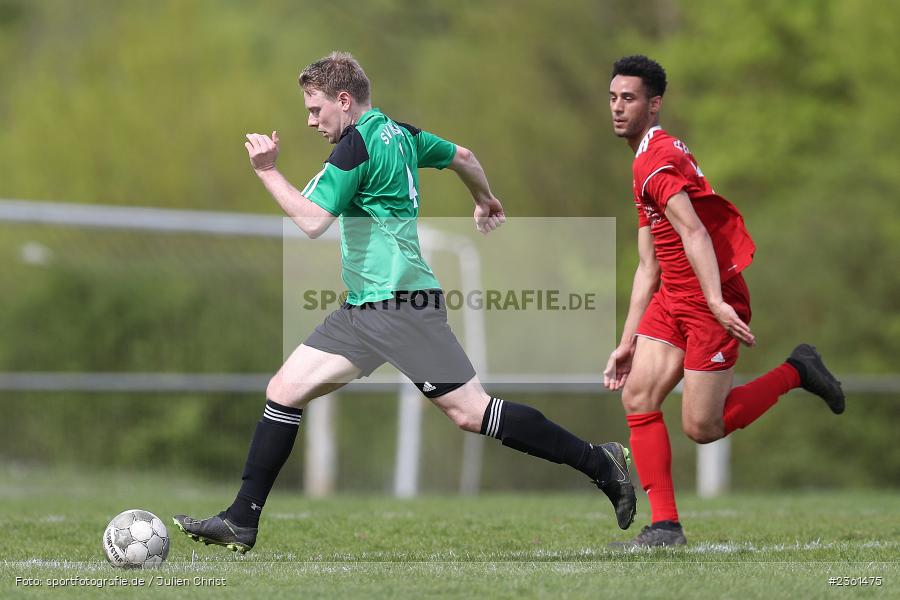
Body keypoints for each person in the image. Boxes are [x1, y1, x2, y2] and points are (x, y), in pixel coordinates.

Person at [173, 51, 635, 553]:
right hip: (365, 309)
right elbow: (463, 157)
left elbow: (310, 221)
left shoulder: (357, 146)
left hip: (399, 306)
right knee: (284, 389)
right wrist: (484, 197)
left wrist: (266, 170)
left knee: (472, 412)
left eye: (315, 109)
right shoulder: (402, 133)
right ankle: (242, 520)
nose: (310, 121)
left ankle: (599, 461)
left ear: (344, 101)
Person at [603, 55, 845, 548]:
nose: (617, 107)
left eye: (628, 98)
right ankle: (665, 527)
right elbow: (649, 263)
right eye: (612, 97)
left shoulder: (654, 160)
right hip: (674, 295)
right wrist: (626, 342)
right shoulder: (645, 157)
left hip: (710, 296)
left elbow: (693, 231)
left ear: (654, 105)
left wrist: (714, 300)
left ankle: (797, 370)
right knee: (639, 397)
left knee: (702, 427)